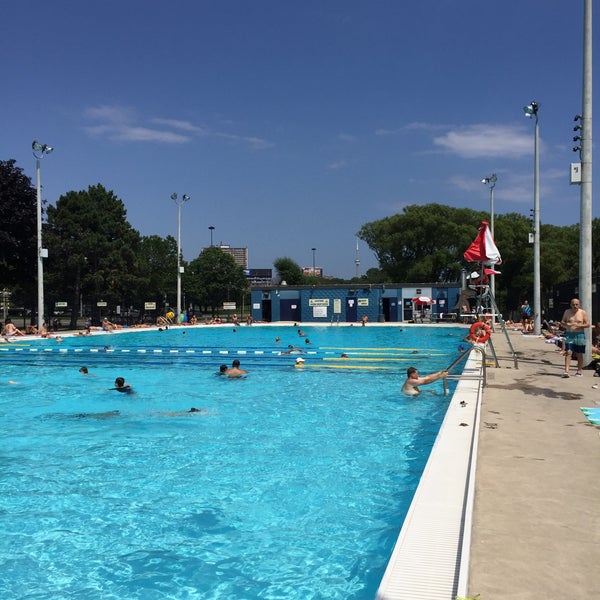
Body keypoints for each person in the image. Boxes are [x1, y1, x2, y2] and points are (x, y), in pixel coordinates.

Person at [560, 298, 591, 378]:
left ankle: (579, 371)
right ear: (571, 305)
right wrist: (567, 324)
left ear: (579, 305)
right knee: (568, 352)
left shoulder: (582, 312)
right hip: (569, 334)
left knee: (579, 353)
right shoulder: (567, 312)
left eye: (576, 304)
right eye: (573, 304)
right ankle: (566, 371)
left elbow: (587, 324)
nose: (575, 306)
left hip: (579, 334)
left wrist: (579, 325)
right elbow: (562, 322)